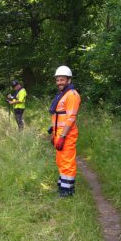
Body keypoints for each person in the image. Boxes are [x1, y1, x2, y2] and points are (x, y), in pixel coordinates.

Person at [48, 66, 81, 197]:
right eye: (57, 80)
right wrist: (54, 134)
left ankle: (67, 193)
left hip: (66, 135)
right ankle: (63, 188)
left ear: (69, 80)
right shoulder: (62, 94)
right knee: (61, 161)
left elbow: (71, 118)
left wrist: (62, 136)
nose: (59, 82)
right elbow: (58, 117)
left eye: (62, 79)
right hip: (59, 134)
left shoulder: (72, 95)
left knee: (67, 162)